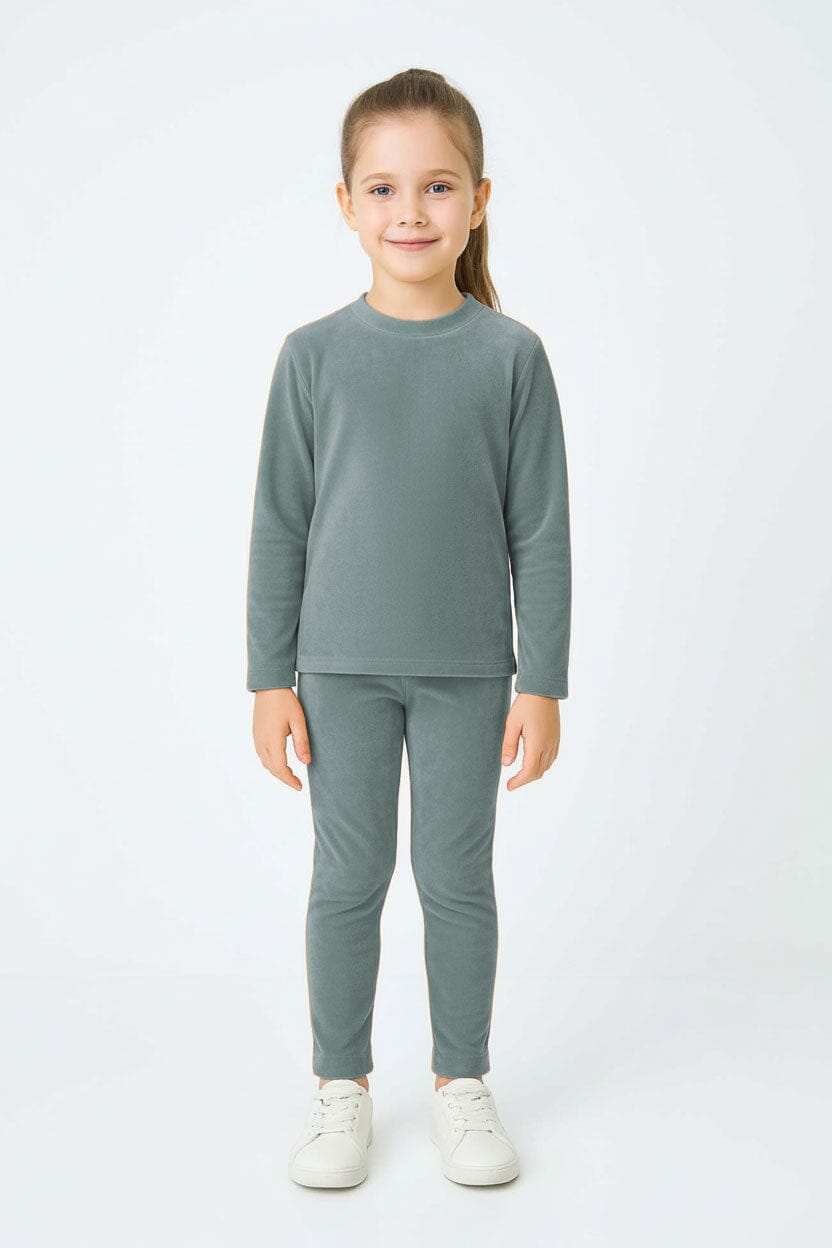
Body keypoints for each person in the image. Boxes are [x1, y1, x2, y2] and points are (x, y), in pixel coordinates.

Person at [245, 67, 572, 1189]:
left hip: (469, 673)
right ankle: (340, 1087)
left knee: (455, 879)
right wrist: (269, 677)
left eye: (437, 186)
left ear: (477, 199)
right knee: (348, 879)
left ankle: (460, 1083)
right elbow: (280, 523)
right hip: (336, 671)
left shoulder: (511, 357)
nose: (411, 211)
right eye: (383, 188)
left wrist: (543, 680)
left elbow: (541, 530)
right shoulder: (312, 356)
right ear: (347, 204)